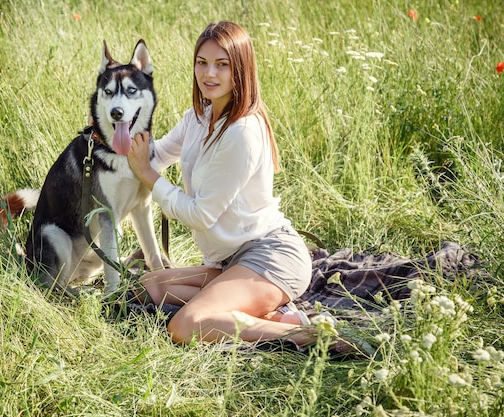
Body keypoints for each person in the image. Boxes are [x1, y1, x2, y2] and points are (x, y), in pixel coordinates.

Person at [128, 21, 356, 352]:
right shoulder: (198, 116)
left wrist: (149, 176)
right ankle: (278, 317)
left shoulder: (242, 133)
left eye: (222, 65)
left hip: (271, 258)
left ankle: (308, 336)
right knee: (150, 286)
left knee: (184, 326)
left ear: (241, 70)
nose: (209, 74)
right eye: (202, 63)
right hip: (231, 260)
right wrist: (120, 130)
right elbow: (156, 154)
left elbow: (201, 215)